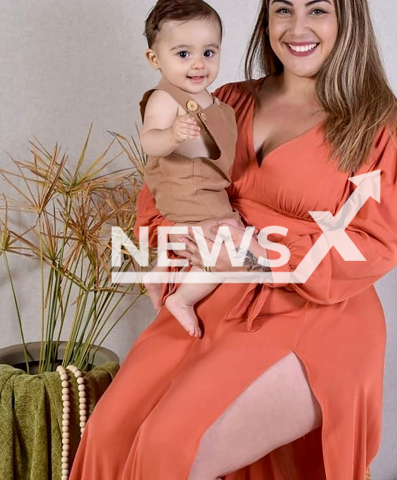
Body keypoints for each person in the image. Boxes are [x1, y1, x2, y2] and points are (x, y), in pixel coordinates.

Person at [68, 0, 397, 479]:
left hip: (312, 313)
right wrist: (159, 251)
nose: (297, 28)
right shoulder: (225, 100)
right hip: (210, 294)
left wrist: (257, 252)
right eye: (283, 10)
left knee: (167, 447)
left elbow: (374, 243)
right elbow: (168, 182)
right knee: (107, 437)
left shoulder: (381, 127)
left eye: (317, 9)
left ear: (347, 17)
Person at [138, 0, 245, 338]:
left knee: (219, 239)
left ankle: (159, 272)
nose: (198, 64)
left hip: (205, 189)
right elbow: (149, 141)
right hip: (186, 188)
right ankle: (183, 299)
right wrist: (170, 134)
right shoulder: (165, 99)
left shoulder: (214, 101)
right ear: (155, 59)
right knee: (229, 245)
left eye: (209, 53)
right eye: (183, 54)